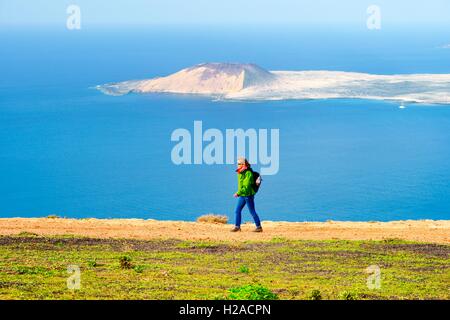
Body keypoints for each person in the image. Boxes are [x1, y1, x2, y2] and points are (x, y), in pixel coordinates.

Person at [231, 157, 263, 232]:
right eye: (237, 164)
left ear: (243, 164)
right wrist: (239, 193)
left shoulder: (248, 173)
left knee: (252, 211)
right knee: (237, 210)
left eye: (239, 164)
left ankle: (259, 227)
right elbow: (241, 185)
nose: (238, 165)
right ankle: (237, 227)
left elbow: (246, 186)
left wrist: (238, 193)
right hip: (242, 195)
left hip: (248, 195)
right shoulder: (240, 172)